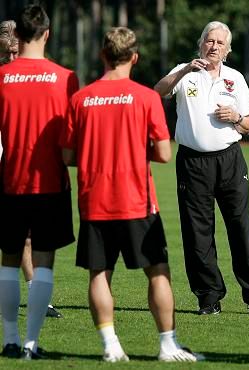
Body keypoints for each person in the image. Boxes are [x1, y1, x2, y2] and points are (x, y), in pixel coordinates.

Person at [61, 27, 199, 363]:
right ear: (134, 57)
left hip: (94, 200)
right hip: (137, 200)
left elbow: (67, 157)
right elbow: (165, 153)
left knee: (100, 274)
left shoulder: (80, 99)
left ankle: (111, 346)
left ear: (102, 56)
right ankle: (168, 346)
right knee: (158, 272)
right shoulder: (146, 97)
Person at [154, 21, 249, 316]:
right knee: (198, 232)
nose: (214, 46)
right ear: (201, 43)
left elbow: (248, 126)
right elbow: (157, 92)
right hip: (193, 162)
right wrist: (182, 71)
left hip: (230, 160)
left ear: (228, 49)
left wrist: (235, 116)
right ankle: (208, 297)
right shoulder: (184, 72)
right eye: (210, 40)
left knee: (241, 228)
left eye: (220, 43)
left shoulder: (234, 78)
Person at [0, 5, 78, 360]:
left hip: (9, 183)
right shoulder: (66, 77)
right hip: (49, 184)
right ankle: (32, 343)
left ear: (19, 36)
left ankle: (11, 340)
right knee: (43, 265)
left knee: (8, 263)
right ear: (47, 33)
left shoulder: (2, 76)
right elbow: (68, 145)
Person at [0, 19, 63, 320]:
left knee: (24, 238)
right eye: (6, 53)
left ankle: (38, 294)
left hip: (20, 170)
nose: (12, 58)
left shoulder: (40, 77)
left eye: (16, 51)